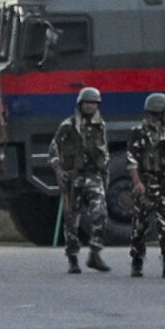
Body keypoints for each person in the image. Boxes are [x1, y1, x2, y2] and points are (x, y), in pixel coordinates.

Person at [51, 87, 111, 274]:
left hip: (93, 175)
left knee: (100, 212)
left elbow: (104, 152)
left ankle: (95, 252)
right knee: (71, 220)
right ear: (80, 104)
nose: (90, 106)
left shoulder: (100, 125)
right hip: (73, 176)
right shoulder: (68, 125)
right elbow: (53, 150)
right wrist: (59, 171)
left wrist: (105, 176)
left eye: (93, 103)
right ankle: (73, 258)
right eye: (87, 103)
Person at [127, 92, 165, 279]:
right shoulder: (139, 132)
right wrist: (137, 182)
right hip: (146, 184)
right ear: (158, 111)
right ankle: (137, 260)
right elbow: (131, 160)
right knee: (140, 227)